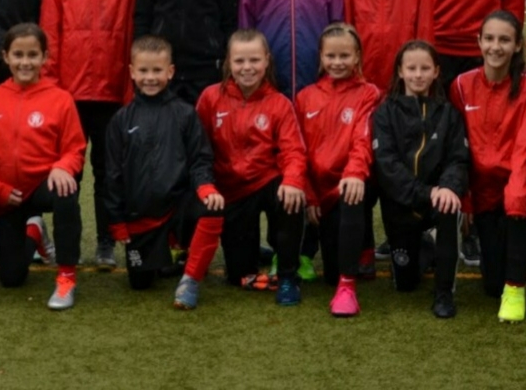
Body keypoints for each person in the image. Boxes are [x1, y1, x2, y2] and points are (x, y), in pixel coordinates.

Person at [415, 0, 525, 269]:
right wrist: (422, 49)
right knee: (433, 140)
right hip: (440, 50)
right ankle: (425, 222)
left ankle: (473, 226)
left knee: (481, 144)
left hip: (487, 55)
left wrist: (513, 50)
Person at [39, 0, 135, 272]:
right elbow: (50, 35)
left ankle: (106, 243)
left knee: (109, 175)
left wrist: (128, 92)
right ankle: (68, 243)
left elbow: (129, 36)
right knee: (69, 174)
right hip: (70, 97)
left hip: (111, 96)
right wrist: (52, 91)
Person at [105, 36, 225, 309]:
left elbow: (200, 159)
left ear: (170, 72)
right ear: (132, 72)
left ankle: (190, 279)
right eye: (143, 70)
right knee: (140, 284)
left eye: (157, 70)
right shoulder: (121, 120)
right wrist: (117, 221)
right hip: (141, 218)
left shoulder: (185, 114)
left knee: (212, 206)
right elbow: (112, 176)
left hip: (178, 208)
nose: (150, 77)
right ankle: (162, 257)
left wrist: (205, 186)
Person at [0, 23, 86, 310]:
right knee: (11, 279)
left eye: (33, 55)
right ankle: (34, 233)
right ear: (6, 56)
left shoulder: (60, 99)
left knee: (66, 192)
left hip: (42, 185)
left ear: (45, 57)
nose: (25, 62)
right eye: (18, 55)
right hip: (7, 195)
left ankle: (66, 276)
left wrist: (62, 166)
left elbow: (75, 148)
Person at [196, 29, 309, 306]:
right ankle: (251, 250)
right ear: (228, 62)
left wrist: (292, 181)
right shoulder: (210, 98)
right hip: (230, 191)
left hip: (267, 181)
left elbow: (294, 150)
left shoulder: (279, 103)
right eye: (240, 61)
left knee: (292, 195)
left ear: (267, 60)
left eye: (255, 60)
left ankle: (287, 275)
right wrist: (207, 186)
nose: (247, 68)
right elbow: (198, 150)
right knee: (239, 276)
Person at [449, 11, 526, 323]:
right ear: (479, 42)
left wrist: (518, 196)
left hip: (519, 184)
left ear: (517, 46)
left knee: (517, 203)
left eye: (504, 40)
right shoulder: (461, 85)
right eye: (489, 38)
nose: (495, 46)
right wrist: (466, 199)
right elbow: (458, 147)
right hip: (483, 192)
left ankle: (516, 289)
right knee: (491, 286)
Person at [373, 40, 470, 319]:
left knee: (449, 205)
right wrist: (427, 192)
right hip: (401, 205)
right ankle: (425, 245)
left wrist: (448, 187)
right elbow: (387, 166)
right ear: (400, 71)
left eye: (425, 68)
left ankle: (444, 292)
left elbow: (458, 159)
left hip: (437, 201)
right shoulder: (385, 113)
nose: (418, 75)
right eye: (411, 68)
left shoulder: (449, 113)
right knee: (405, 284)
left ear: (436, 71)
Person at [295, 23, 380, 317]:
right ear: (321, 57)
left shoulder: (369, 93)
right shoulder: (305, 97)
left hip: (348, 185)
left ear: (357, 56)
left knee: (354, 190)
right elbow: (299, 151)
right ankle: (335, 262)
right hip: (319, 194)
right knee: (329, 272)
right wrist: (310, 196)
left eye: (345, 56)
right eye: (331, 56)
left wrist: (354, 173)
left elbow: (362, 140)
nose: (337, 62)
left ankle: (347, 287)